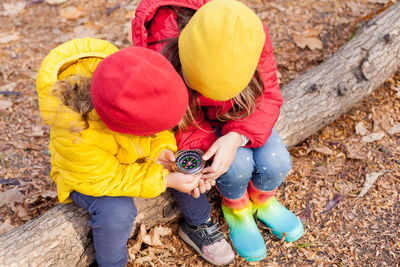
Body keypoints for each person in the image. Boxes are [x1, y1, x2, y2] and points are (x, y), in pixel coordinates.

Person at [132, 0, 304, 263]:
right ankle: (236, 208)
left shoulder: (247, 32)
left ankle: (263, 200)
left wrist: (237, 136)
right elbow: (177, 120)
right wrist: (206, 153)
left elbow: (268, 95)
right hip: (193, 123)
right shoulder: (163, 48)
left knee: (276, 161)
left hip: (243, 114)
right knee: (235, 167)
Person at [36, 37, 202, 267]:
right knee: (116, 213)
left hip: (123, 156)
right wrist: (164, 180)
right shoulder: (76, 132)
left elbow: (160, 129)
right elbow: (103, 179)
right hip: (87, 177)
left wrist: (161, 149)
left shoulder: (131, 81)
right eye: (148, 132)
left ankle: (200, 223)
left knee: (181, 158)